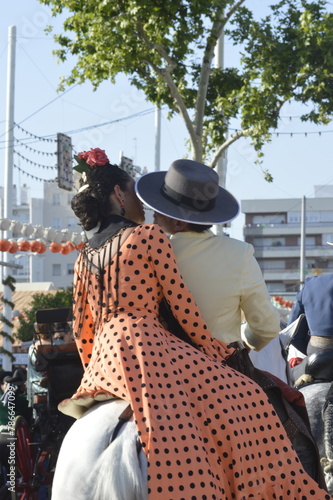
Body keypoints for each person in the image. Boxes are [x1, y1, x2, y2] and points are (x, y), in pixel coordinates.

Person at [59, 147, 330, 499]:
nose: (147, 208)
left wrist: (91, 373)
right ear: (118, 195)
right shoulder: (153, 240)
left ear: (174, 213)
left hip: (106, 361)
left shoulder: (85, 255)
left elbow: (83, 329)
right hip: (160, 351)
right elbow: (183, 308)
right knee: (257, 402)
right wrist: (217, 349)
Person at [135, 158, 280, 352]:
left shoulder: (144, 254)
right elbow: (266, 328)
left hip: (159, 372)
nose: (154, 212)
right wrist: (242, 344)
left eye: (162, 209)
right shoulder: (240, 254)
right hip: (221, 372)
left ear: (179, 223)